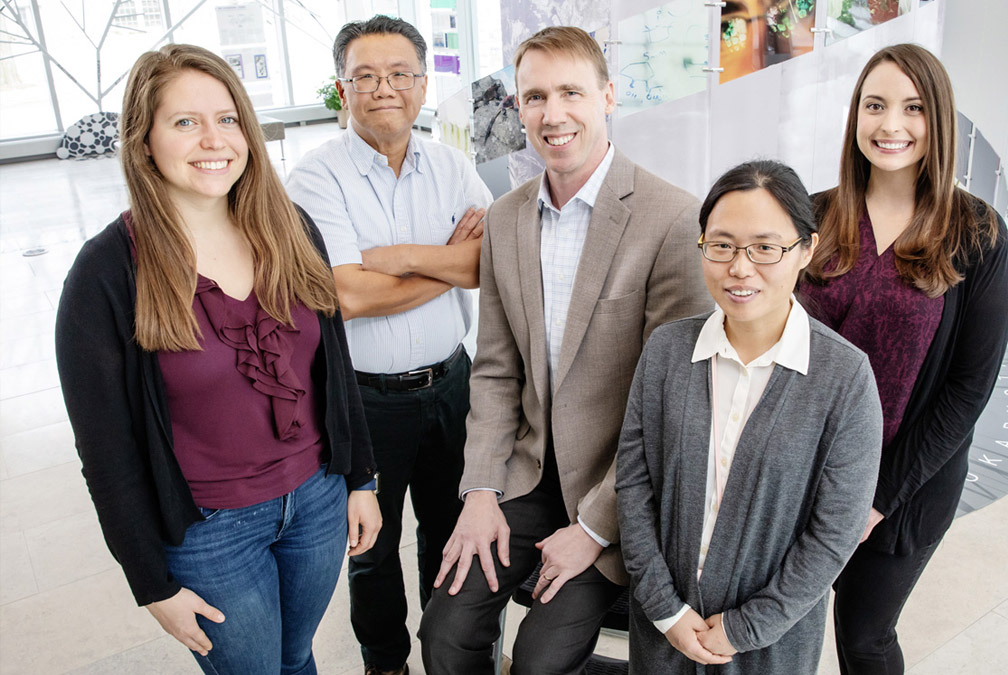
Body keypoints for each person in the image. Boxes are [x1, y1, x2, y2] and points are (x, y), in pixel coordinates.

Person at [54, 44, 381, 675]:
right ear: (143, 140)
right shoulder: (107, 274)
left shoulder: (291, 228)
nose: (215, 139)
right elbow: (106, 451)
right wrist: (150, 582)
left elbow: (335, 375)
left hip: (315, 503)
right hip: (210, 531)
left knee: (294, 657)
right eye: (185, 122)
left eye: (228, 119)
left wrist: (360, 480)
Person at [418, 26, 716, 673]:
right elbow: (495, 370)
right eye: (535, 97)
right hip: (523, 475)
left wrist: (595, 528)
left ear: (608, 96)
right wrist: (479, 492)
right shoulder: (505, 218)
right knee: (444, 632)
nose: (553, 114)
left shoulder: (670, 219)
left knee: (541, 658)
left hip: (617, 487)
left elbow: (674, 403)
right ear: (518, 108)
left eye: (571, 92)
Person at [798, 43, 1008, 674]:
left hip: (905, 489)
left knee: (864, 638)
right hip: (804, 470)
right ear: (855, 116)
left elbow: (968, 393)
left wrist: (875, 499)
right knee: (782, 621)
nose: (890, 125)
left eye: (912, 108)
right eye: (875, 105)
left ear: (938, 119)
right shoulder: (814, 214)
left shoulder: (977, 233)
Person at [616, 159, 883, 673]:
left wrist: (746, 628)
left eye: (765, 247)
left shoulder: (845, 378)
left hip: (769, 648)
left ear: (806, 249)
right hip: (663, 633)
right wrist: (664, 608)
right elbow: (634, 484)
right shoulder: (667, 351)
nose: (740, 268)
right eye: (721, 245)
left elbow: (836, 532)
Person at [286, 16, 492, 675]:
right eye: (365, 76)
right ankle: (386, 661)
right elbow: (345, 294)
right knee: (371, 545)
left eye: (399, 74)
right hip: (364, 398)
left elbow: (489, 264)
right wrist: (446, 260)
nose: (383, 89)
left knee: (450, 531)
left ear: (422, 84)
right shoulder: (315, 179)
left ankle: (449, 649)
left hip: (452, 383)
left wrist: (395, 261)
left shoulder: (452, 163)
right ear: (342, 89)